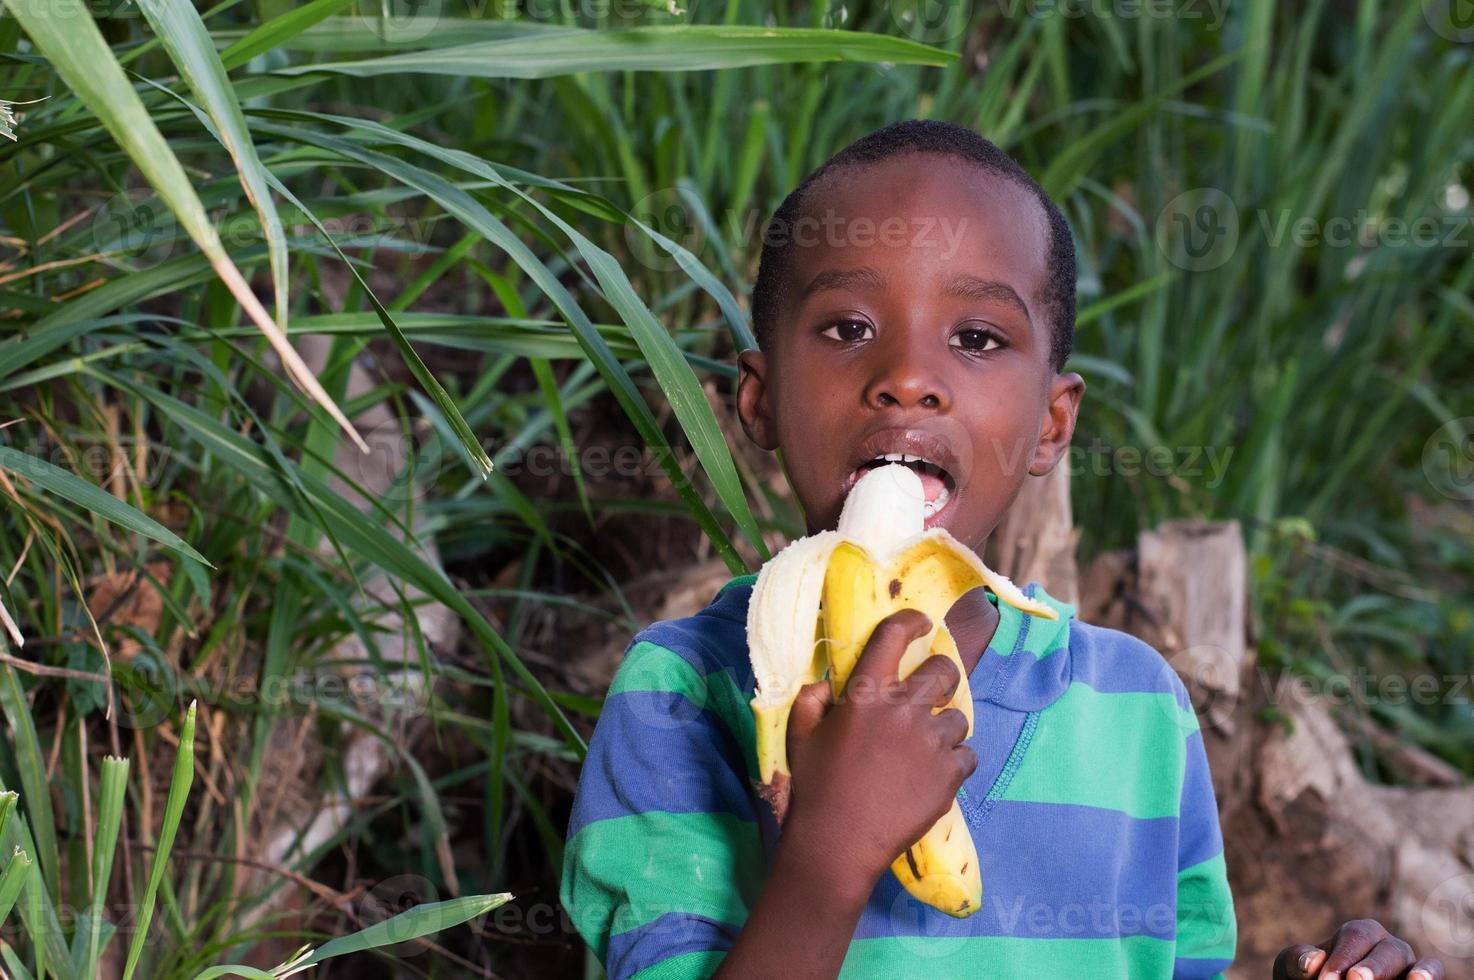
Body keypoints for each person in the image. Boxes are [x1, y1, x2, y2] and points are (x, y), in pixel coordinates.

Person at [558, 119, 1446, 980]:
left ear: (1051, 423)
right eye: (847, 329)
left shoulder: (1138, 710)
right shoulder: (679, 693)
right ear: (758, 400)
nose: (906, 377)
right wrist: (827, 856)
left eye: (977, 338)